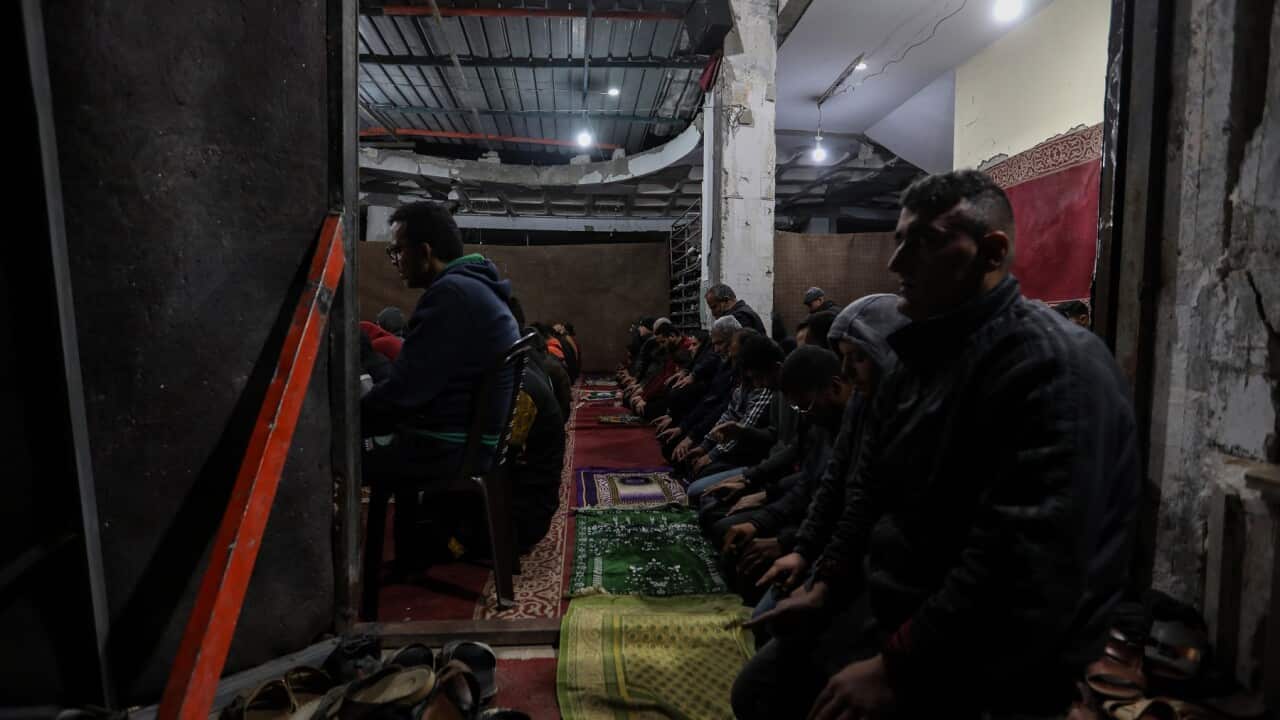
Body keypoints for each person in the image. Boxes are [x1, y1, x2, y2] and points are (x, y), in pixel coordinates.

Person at [735, 170, 1139, 718]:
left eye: (924, 242)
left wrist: (896, 665)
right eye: (900, 240)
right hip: (906, 611)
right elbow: (867, 489)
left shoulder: (1051, 368)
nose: (897, 263)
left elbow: (1018, 562)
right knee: (761, 687)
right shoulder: (916, 362)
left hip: (992, 649)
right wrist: (826, 584)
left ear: (991, 253)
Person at [361, 201, 520, 573]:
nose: (395, 259)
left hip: (452, 448)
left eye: (397, 250)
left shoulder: (451, 296)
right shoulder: (479, 287)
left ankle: (342, 586)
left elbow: (405, 394)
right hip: (479, 444)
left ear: (424, 252)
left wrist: (351, 420)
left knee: (343, 451)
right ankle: (408, 555)